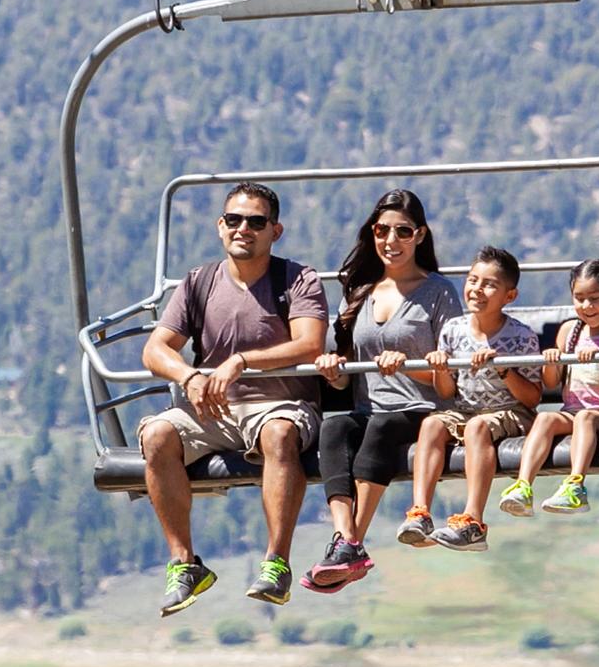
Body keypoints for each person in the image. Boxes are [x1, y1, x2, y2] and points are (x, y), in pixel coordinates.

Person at [137, 182, 328, 615]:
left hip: (279, 403)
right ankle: (184, 562)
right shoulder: (199, 283)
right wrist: (188, 375)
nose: (244, 229)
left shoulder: (297, 280)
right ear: (220, 227)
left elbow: (310, 344)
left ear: (274, 231)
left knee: (280, 436)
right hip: (212, 410)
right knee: (158, 436)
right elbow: (155, 349)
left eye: (256, 222)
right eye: (235, 220)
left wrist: (242, 360)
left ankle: (276, 561)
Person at [306, 189, 460, 591]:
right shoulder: (361, 291)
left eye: (403, 232)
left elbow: (452, 379)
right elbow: (349, 375)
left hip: (423, 408)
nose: (391, 241)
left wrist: (410, 367)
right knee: (334, 429)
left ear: (420, 236)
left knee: (381, 429)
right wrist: (333, 371)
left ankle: (349, 546)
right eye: (382, 230)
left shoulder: (438, 293)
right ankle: (345, 541)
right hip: (369, 405)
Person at [404, 246, 542, 552]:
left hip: (509, 412)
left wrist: (504, 370)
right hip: (465, 410)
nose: (478, 289)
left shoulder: (522, 336)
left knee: (477, 428)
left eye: (490, 284)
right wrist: (440, 368)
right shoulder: (453, 330)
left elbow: (532, 398)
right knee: (432, 425)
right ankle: (420, 514)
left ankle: (473, 521)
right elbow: (446, 393)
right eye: (473, 280)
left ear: (509, 296)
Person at [500, 258, 599, 516]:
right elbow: (551, 382)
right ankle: (523, 485)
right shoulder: (569, 331)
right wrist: (552, 361)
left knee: (585, 418)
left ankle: (575, 486)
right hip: (572, 411)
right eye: (579, 298)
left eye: (595, 298)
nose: (587, 306)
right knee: (545, 420)